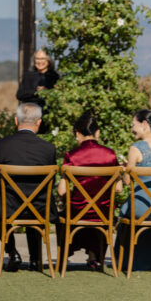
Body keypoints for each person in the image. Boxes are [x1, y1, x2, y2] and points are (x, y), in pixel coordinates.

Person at [0, 101, 57, 271]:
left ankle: (12, 252)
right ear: (39, 122)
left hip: (9, 206)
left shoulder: (2, 145)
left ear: (15, 121)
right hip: (40, 207)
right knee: (36, 196)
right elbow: (51, 182)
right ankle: (35, 260)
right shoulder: (48, 149)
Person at [56, 111, 119, 270]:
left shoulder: (72, 155)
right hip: (103, 211)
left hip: (78, 211)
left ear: (77, 133)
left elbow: (62, 192)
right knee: (98, 210)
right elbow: (118, 188)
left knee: (66, 213)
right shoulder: (110, 155)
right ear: (97, 132)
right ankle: (95, 257)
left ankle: (64, 256)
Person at [117, 108, 151, 271]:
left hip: (142, 209)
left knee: (126, 207)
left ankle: (128, 260)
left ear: (144, 124)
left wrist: (124, 170)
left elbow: (127, 181)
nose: (132, 130)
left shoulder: (136, 148)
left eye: (133, 125)